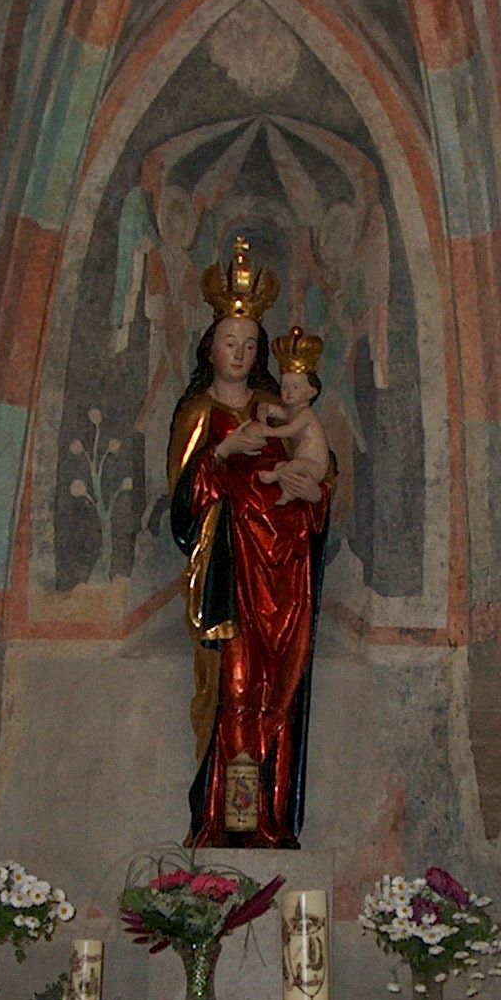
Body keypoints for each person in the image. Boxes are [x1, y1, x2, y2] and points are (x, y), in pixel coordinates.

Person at [168, 238, 332, 847]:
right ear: (210, 347)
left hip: (283, 572)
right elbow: (183, 508)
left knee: (277, 690)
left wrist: (311, 492)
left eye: (248, 346)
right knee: (235, 688)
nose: (238, 354)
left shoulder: (276, 408)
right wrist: (220, 455)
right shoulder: (198, 413)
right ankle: (228, 817)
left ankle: (269, 817)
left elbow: (321, 473)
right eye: (228, 342)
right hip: (231, 578)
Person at [255, 328, 330, 508]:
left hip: (311, 466)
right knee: (284, 465)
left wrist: (268, 431)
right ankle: (286, 493)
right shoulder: (287, 409)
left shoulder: (305, 414)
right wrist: (266, 408)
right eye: (284, 387)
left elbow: (289, 429)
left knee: (292, 466)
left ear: (311, 392)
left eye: (249, 346)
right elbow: (279, 413)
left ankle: (276, 478)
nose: (288, 393)